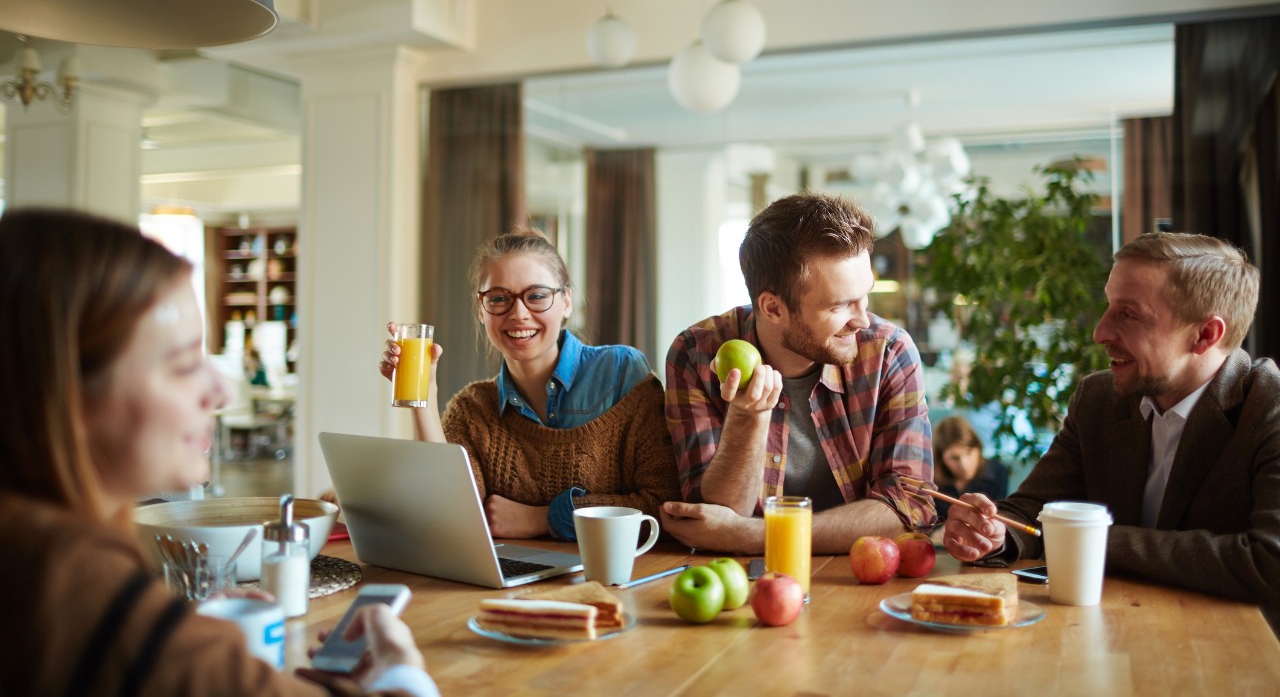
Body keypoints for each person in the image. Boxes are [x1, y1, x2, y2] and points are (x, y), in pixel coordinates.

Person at [0, 207, 437, 697]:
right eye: (184, 364)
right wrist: (401, 671)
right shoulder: (85, 595)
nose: (221, 392)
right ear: (64, 393)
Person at [942, 232, 1280, 623]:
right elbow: (1030, 511)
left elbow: (1270, 562)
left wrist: (1092, 539)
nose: (1100, 333)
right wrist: (995, 534)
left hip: (1229, 655)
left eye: (1129, 314)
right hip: (1110, 630)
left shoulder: (1267, 407)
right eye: (1108, 307)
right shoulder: (1098, 398)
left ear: (1205, 335)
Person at [662, 193, 936, 554]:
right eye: (841, 305)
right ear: (773, 308)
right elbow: (714, 521)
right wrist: (748, 418)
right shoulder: (696, 354)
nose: (863, 320)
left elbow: (909, 508)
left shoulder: (888, 352)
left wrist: (759, 535)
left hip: (855, 575)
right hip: (743, 581)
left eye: (864, 297)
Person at [379, 229, 679, 541]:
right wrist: (423, 398)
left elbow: (664, 508)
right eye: (498, 298)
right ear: (481, 310)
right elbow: (445, 516)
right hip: (506, 584)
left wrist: (543, 518)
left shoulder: (620, 372)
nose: (519, 314)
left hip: (614, 580)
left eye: (536, 296)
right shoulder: (472, 409)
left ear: (565, 302)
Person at [931, 416, 1009, 522]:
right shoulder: (932, 482)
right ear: (941, 459)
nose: (964, 464)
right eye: (954, 458)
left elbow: (1001, 520)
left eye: (968, 452)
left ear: (978, 448)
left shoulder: (998, 473)